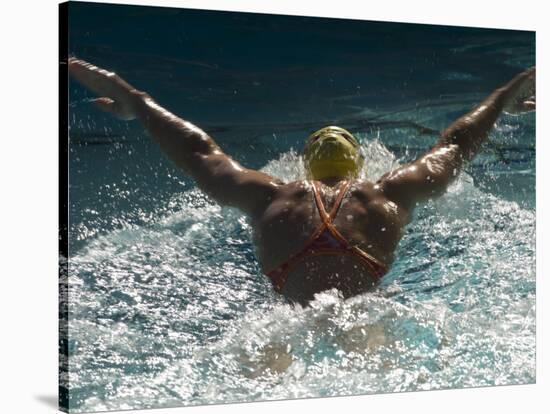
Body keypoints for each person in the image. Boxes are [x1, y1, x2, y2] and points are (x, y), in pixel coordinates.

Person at [68, 57, 536, 306]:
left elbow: (201, 153)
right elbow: (454, 146)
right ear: (357, 165)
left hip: (286, 319)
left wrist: (140, 103)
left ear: (304, 167)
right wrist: (502, 97)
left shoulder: (270, 196)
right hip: (366, 313)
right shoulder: (386, 195)